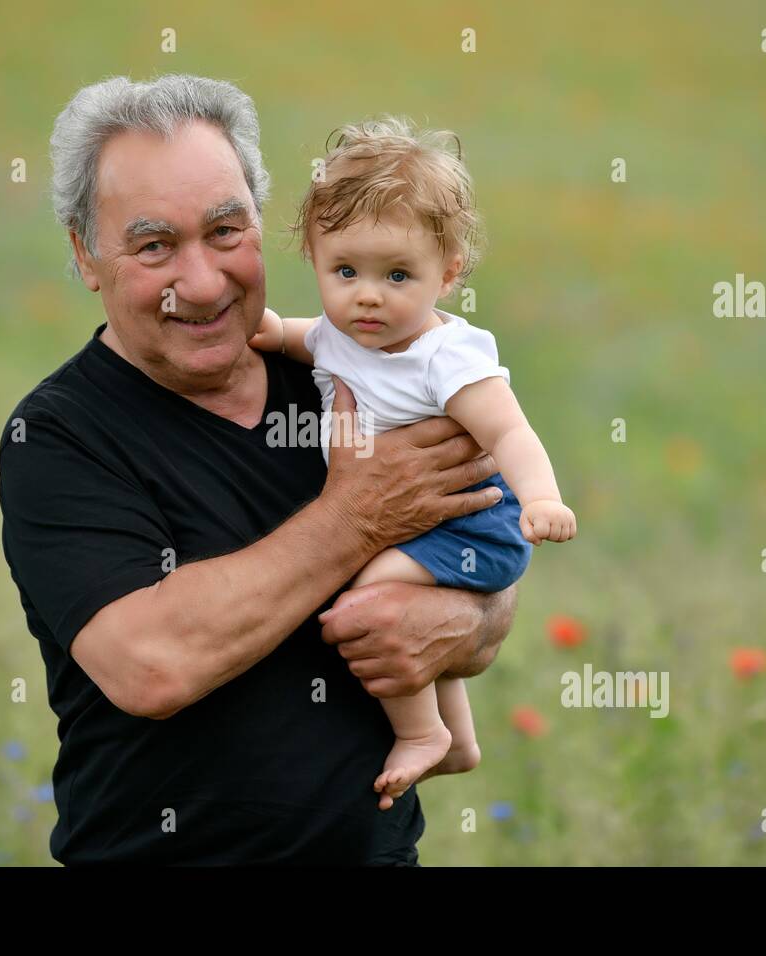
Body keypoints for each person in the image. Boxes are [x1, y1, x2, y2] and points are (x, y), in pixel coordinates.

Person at [0, 74, 518, 865]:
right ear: (86, 255)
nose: (203, 283)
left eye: (225, 232)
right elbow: (152, 665)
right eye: (154, 246)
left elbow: (483, 556)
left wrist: (465, 624)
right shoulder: (61, 437)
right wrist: (354, 519)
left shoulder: (356, 373)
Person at [250, 117, 577, 810]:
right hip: (418, 525)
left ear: (448, 273)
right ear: (314, 259)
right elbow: (305, 336)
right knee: (390, 595)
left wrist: (542, 499)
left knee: (366, 601)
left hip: (474, 526)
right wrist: (272, 332)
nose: (367, 296)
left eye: (398, 275)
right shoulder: (346, 331)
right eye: (345, 272)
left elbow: (511, 433)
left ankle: (420, 733)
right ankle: (457, 742)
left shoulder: (446, 358)